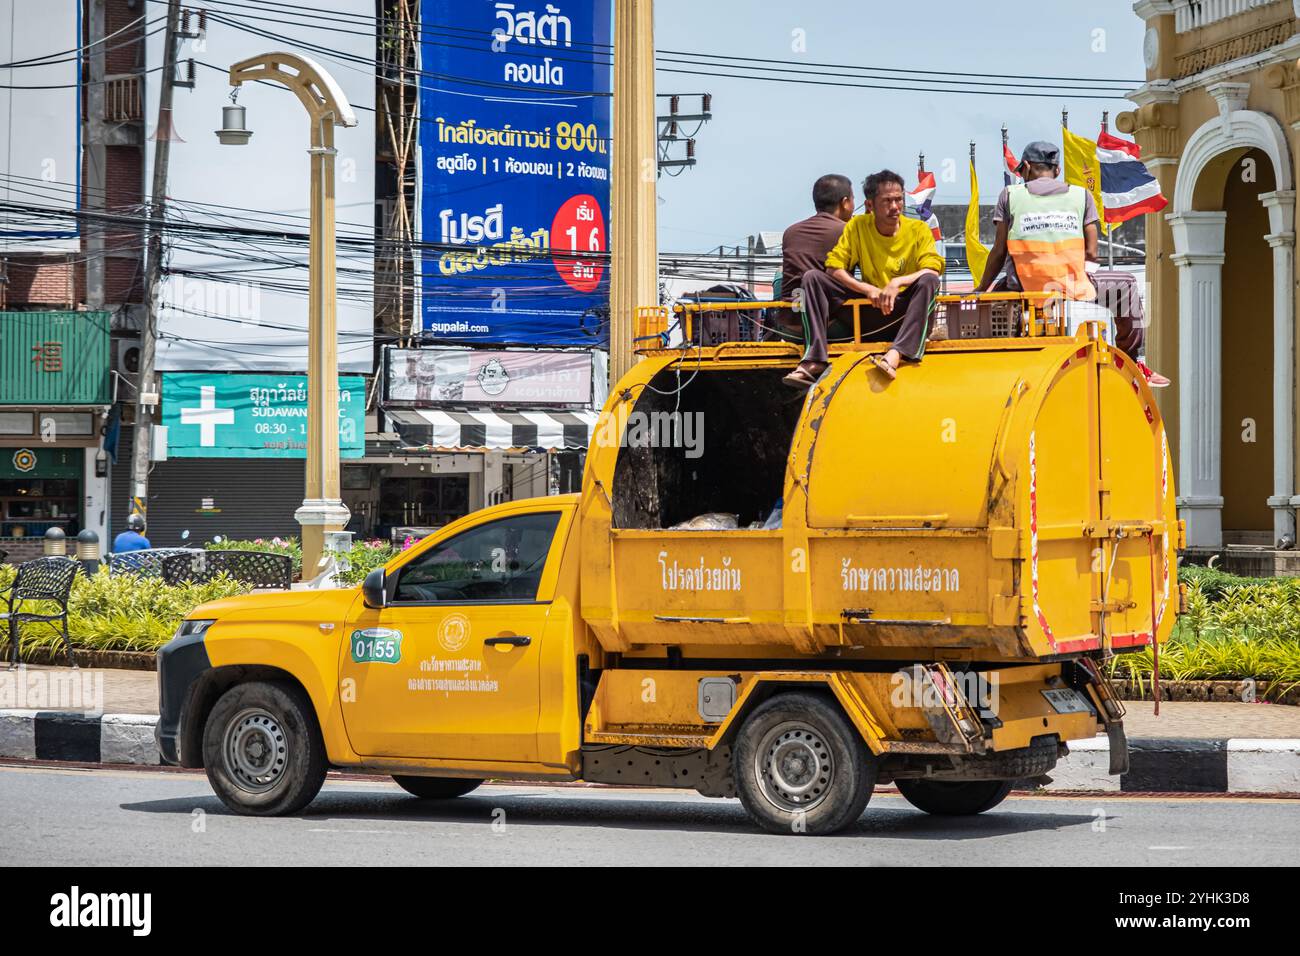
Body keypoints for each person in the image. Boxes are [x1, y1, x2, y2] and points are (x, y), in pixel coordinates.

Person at [975, 140, 1169, 386]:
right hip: (1072, 289)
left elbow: (999, 251)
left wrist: (982, 289)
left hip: (1023, 289)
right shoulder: (1081, 195)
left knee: (994, 302)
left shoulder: (1010, 196)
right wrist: (1082, 279)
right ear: (1057, 170)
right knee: (1127, 284)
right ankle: (1132, 362)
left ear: (1024, 167)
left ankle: (992, 365)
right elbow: (1092, 251)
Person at [784, 169, 944, 388]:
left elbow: (933, 268)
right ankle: (814, 358)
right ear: (870, 205)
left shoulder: (919, 230)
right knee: (813, 278)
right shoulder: (857, 227)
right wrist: (867, 289)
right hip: (869, 308)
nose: (895, 207)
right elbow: (833, 267)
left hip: (903, 313)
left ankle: (898, 353)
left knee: (929, 281)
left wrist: (897, 283)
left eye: (898, 200)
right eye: (887, 201)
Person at [772, 174, 856, 339]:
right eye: (853, 199)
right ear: (845, 202)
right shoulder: (848, 231)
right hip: (829, 327)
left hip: (789, 327)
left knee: (779, 274)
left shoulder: (791, 232)